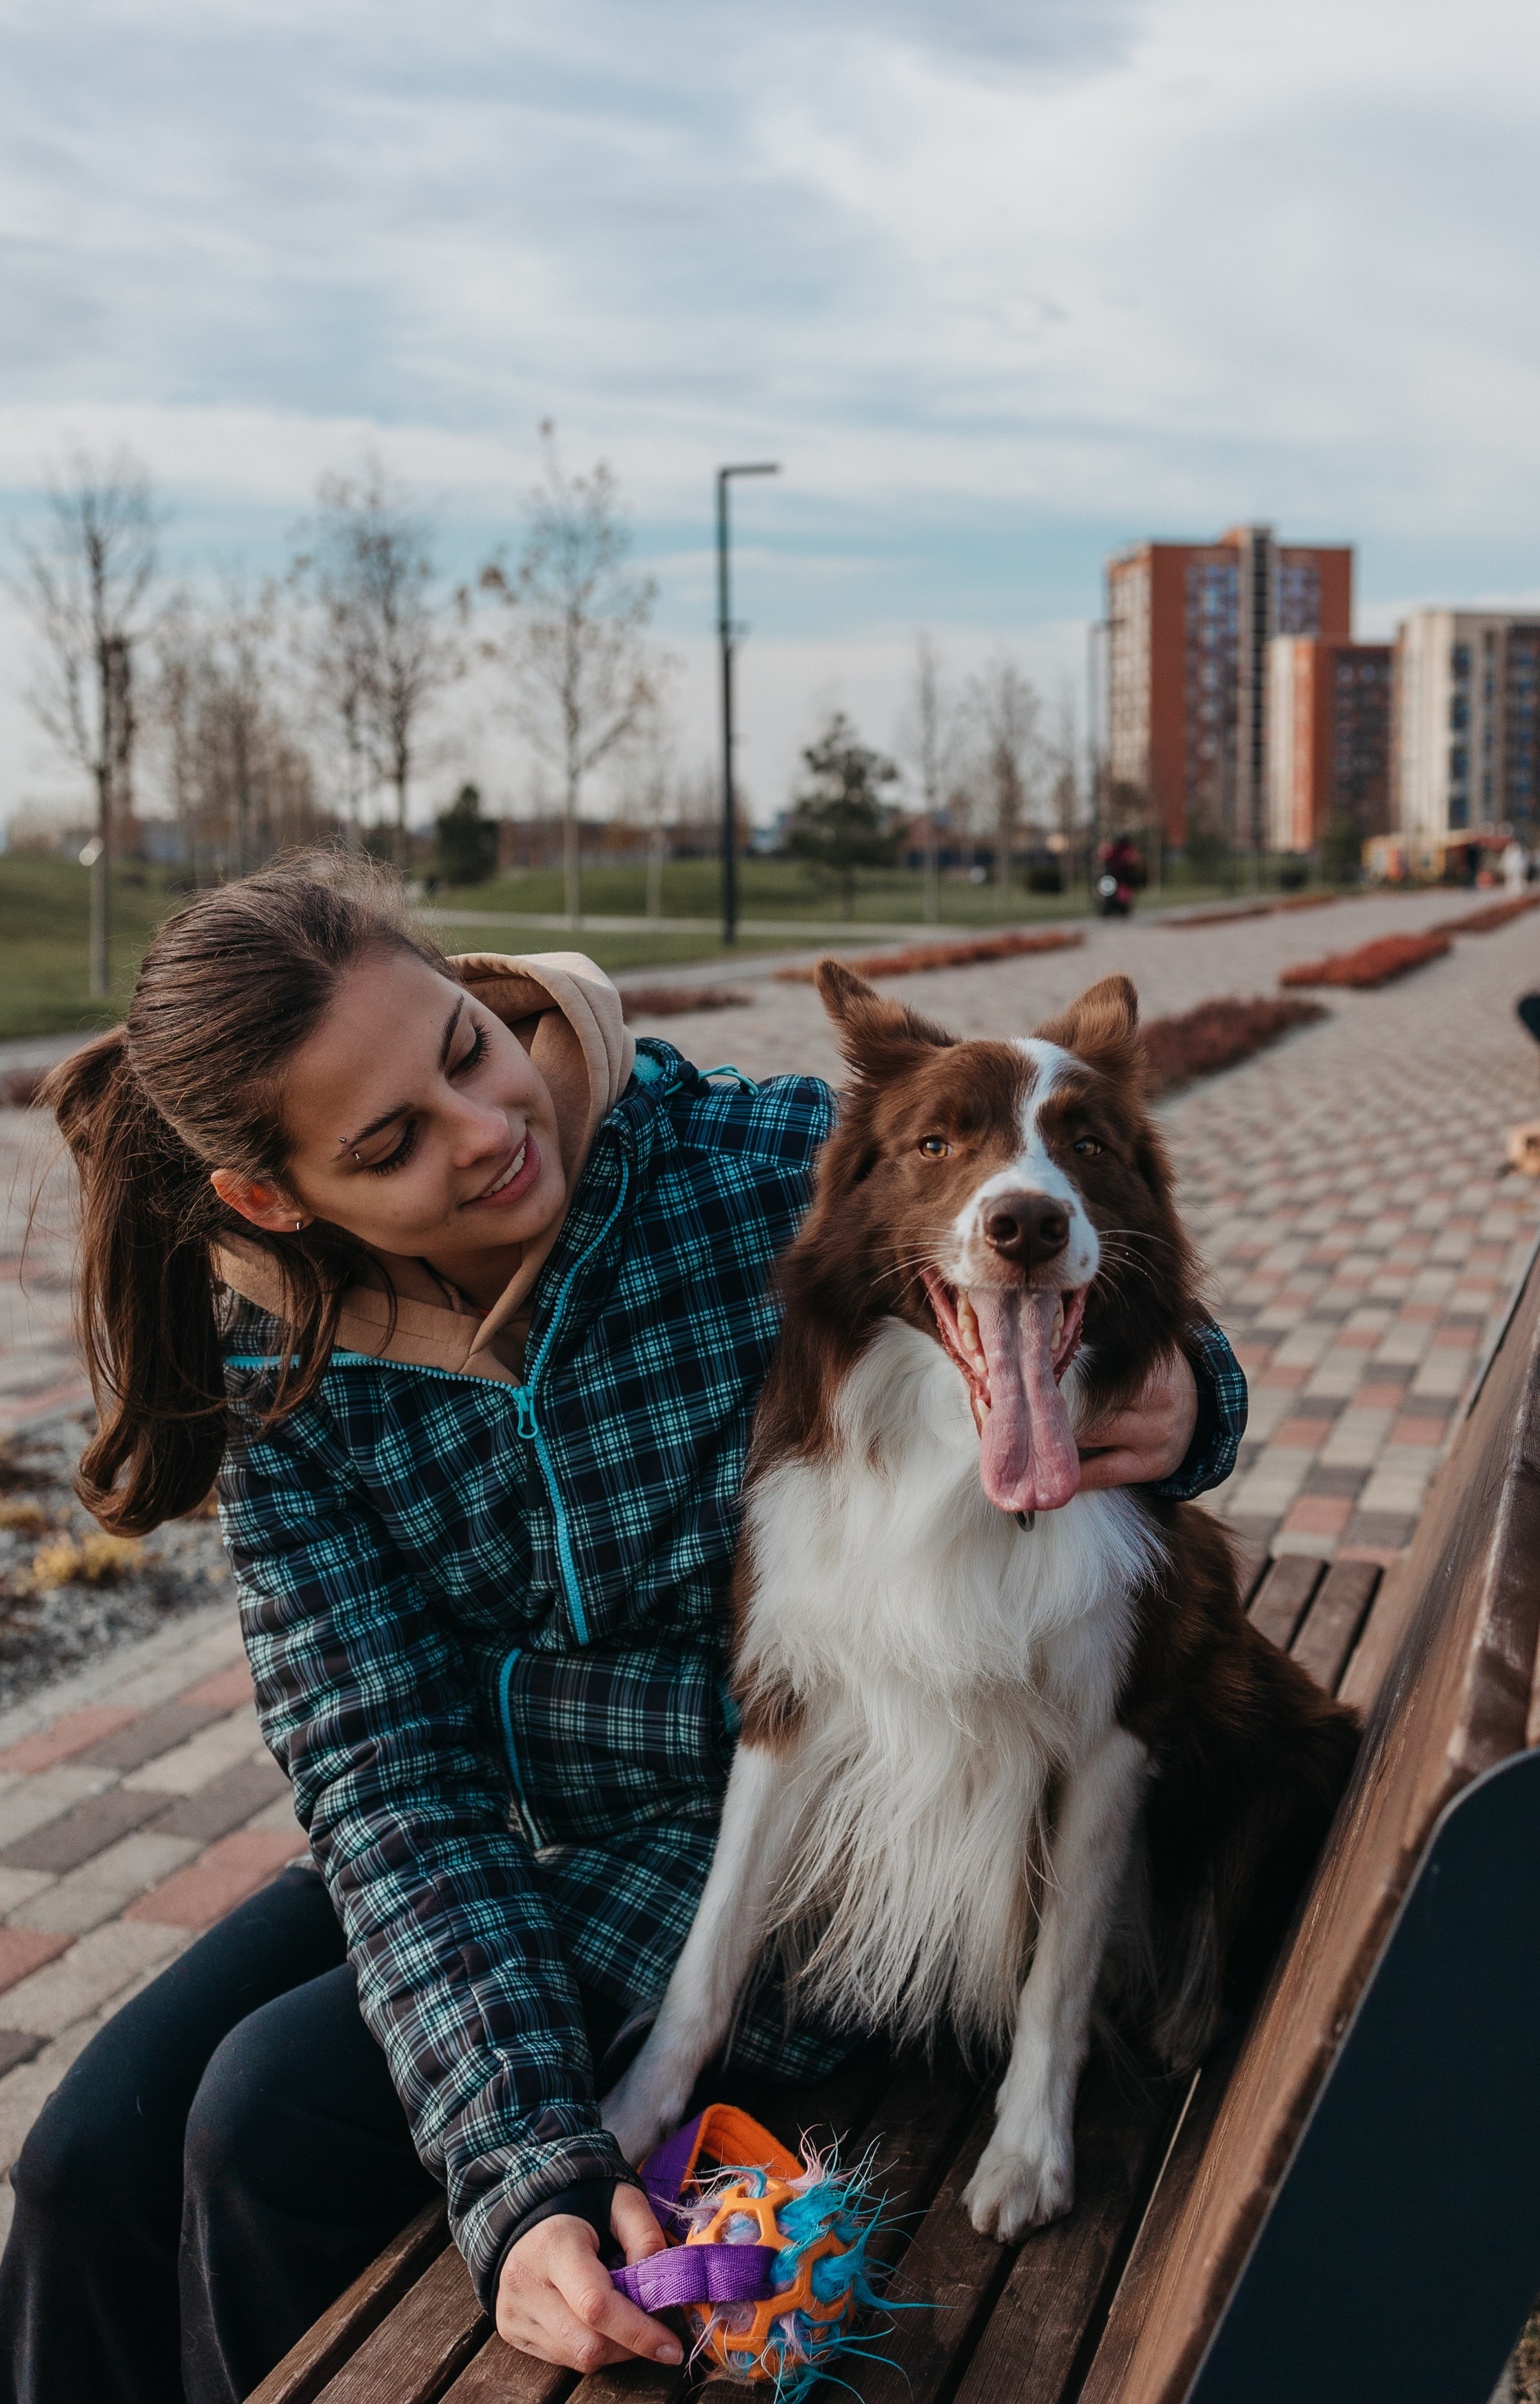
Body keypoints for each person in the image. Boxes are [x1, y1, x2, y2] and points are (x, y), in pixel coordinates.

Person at [0, 855, 1246, 2404]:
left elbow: (1058, 1243)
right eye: (391, 1144)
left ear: (481, 985)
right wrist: (520, 2152)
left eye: (466, 1047)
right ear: (274, 1198)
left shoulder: (749, 1163)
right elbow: (387, 1784)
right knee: (79, 2156)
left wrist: (1194, 1400)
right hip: (515, 1824)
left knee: (267, 2119)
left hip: (804, 1830)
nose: (486, 1132)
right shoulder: (288, 1381)